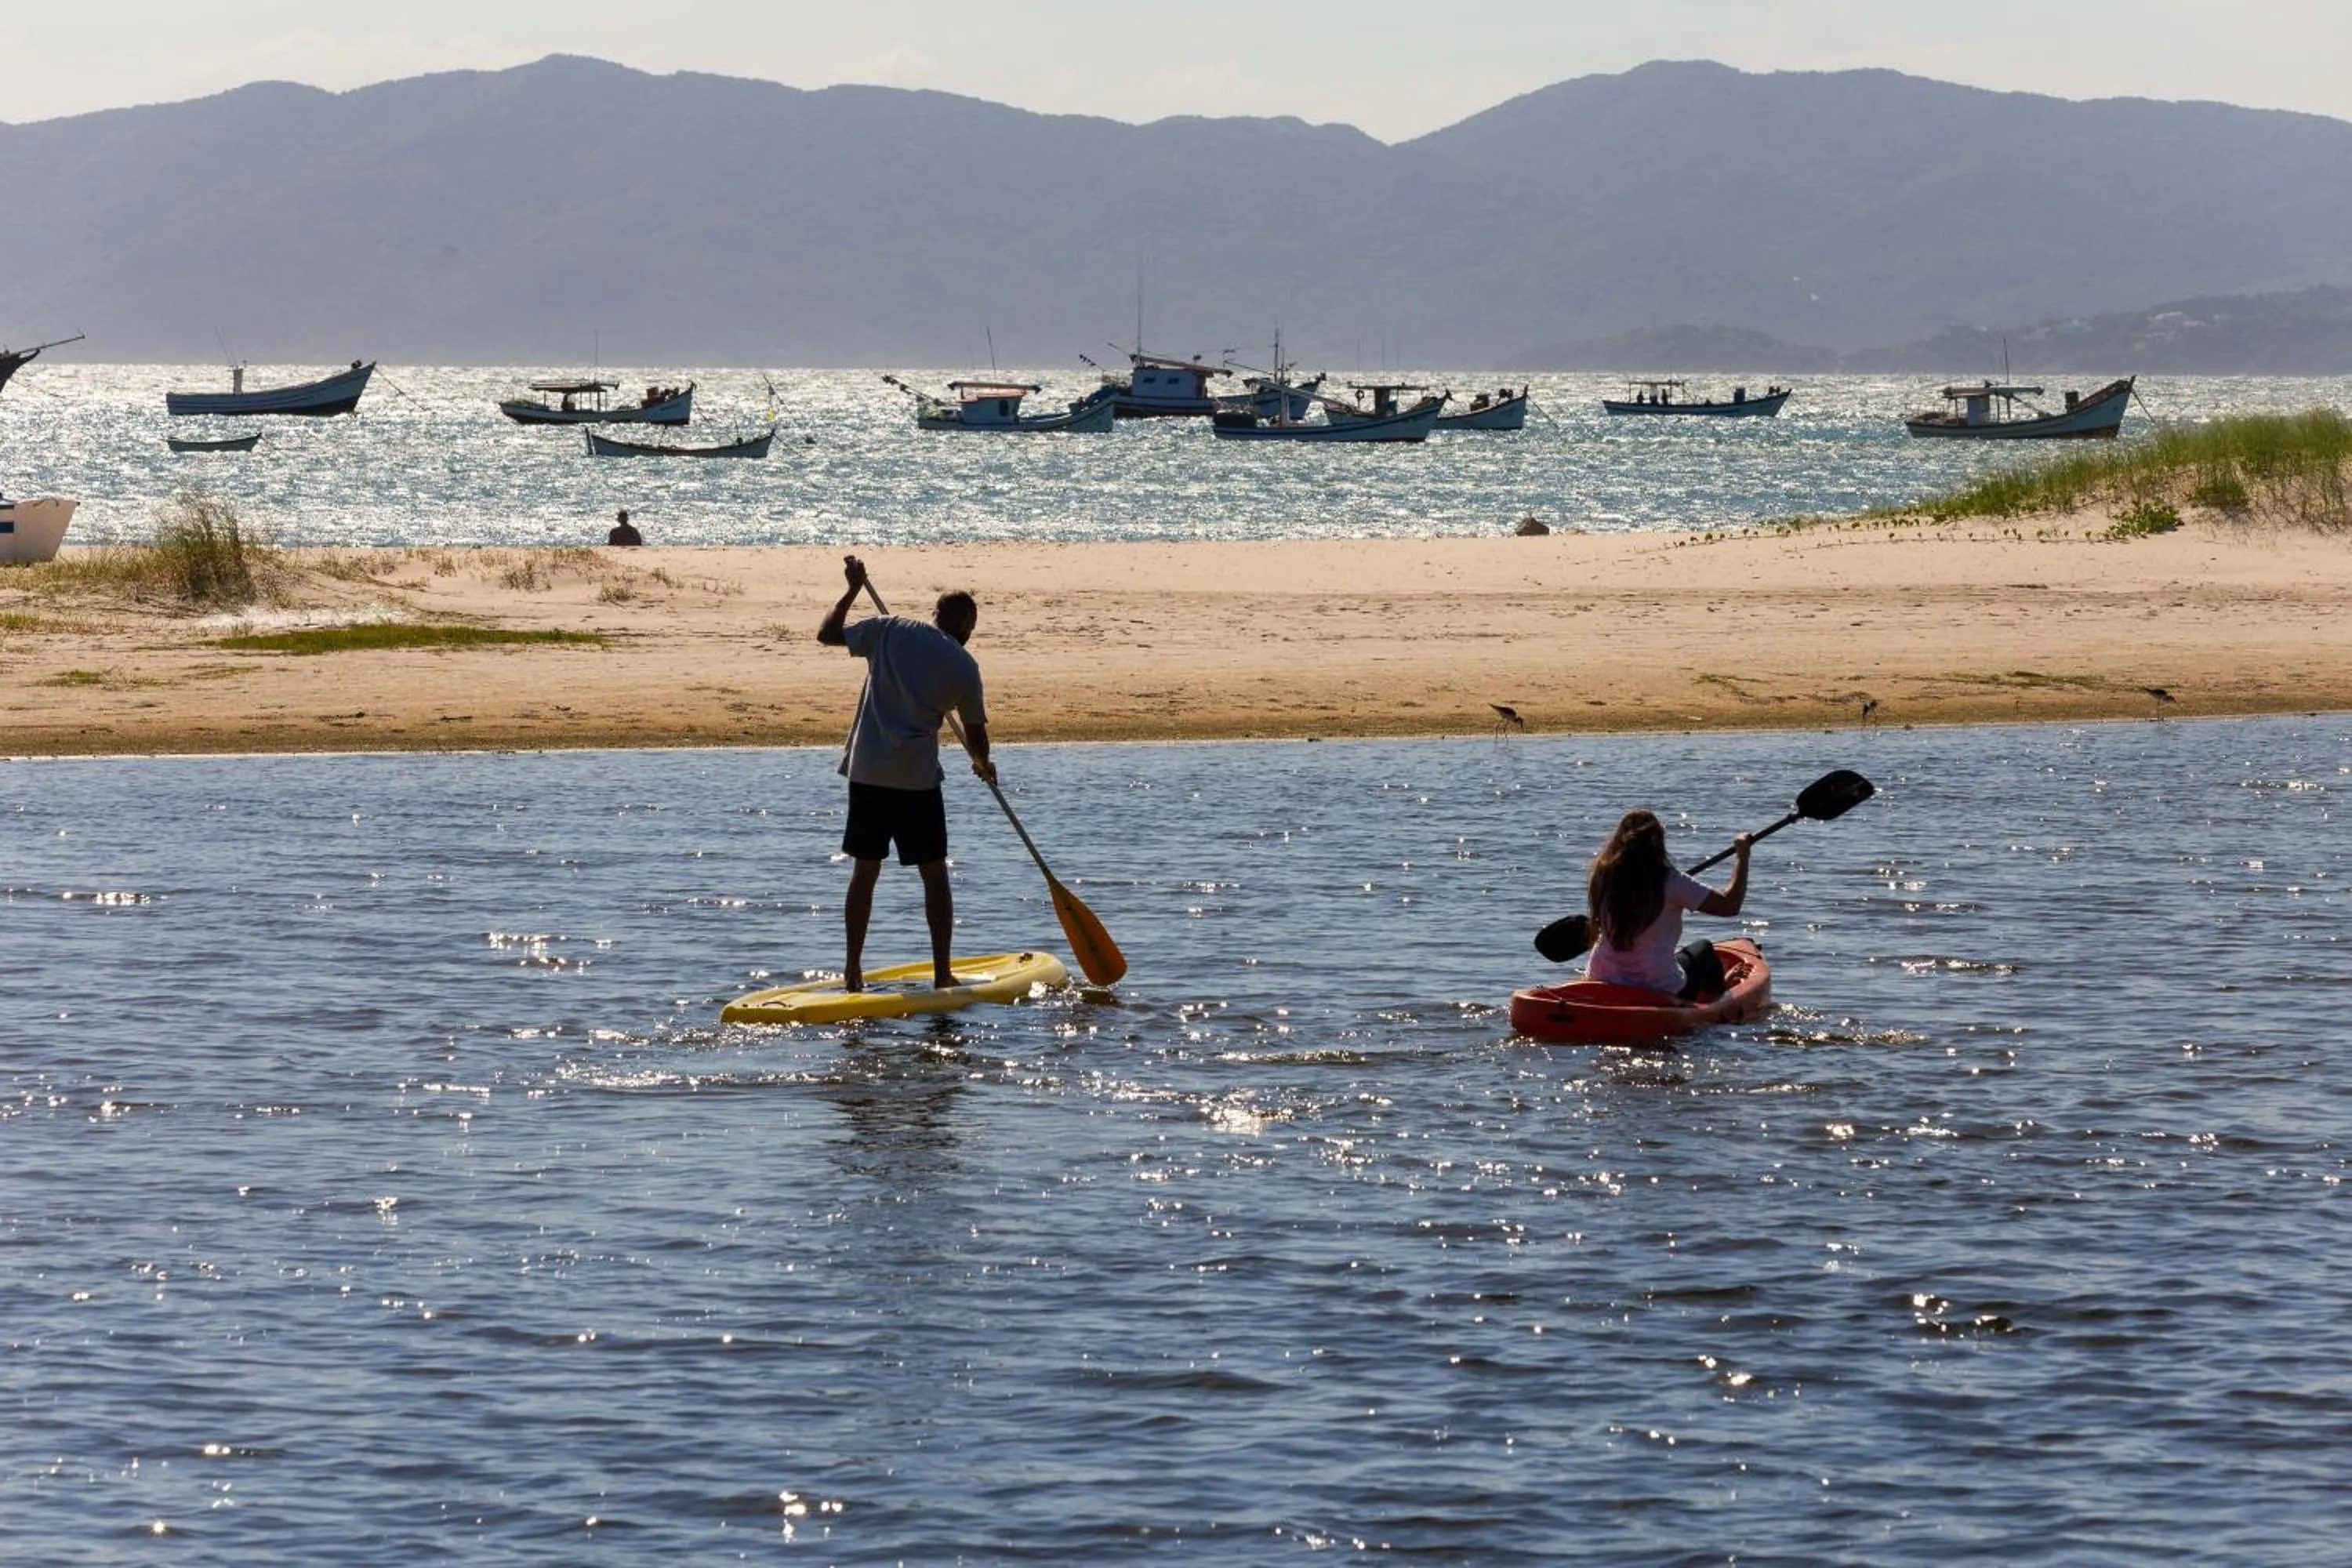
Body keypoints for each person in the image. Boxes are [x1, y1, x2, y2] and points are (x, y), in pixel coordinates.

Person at [818, 554, 992, 991]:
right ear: (967, 629)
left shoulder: (890, 628)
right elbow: (976, 736)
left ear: (936, 617)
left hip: (868, 771)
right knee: (934, 874)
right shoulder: (965, 668)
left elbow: (827, 635)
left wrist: (854, 589)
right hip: (915, 781)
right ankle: (941, 973)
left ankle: (853, 971)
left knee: (865, 870)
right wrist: (984, 765)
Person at [1584, 808, 1753, 999]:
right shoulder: (1672, 881)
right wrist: (1742, 857)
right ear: (1658, 843)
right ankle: (1721, 1007)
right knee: (1705, 950)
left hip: (1602, 976)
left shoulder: (1602, 874)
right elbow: (1731, 906)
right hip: (1658, 986)